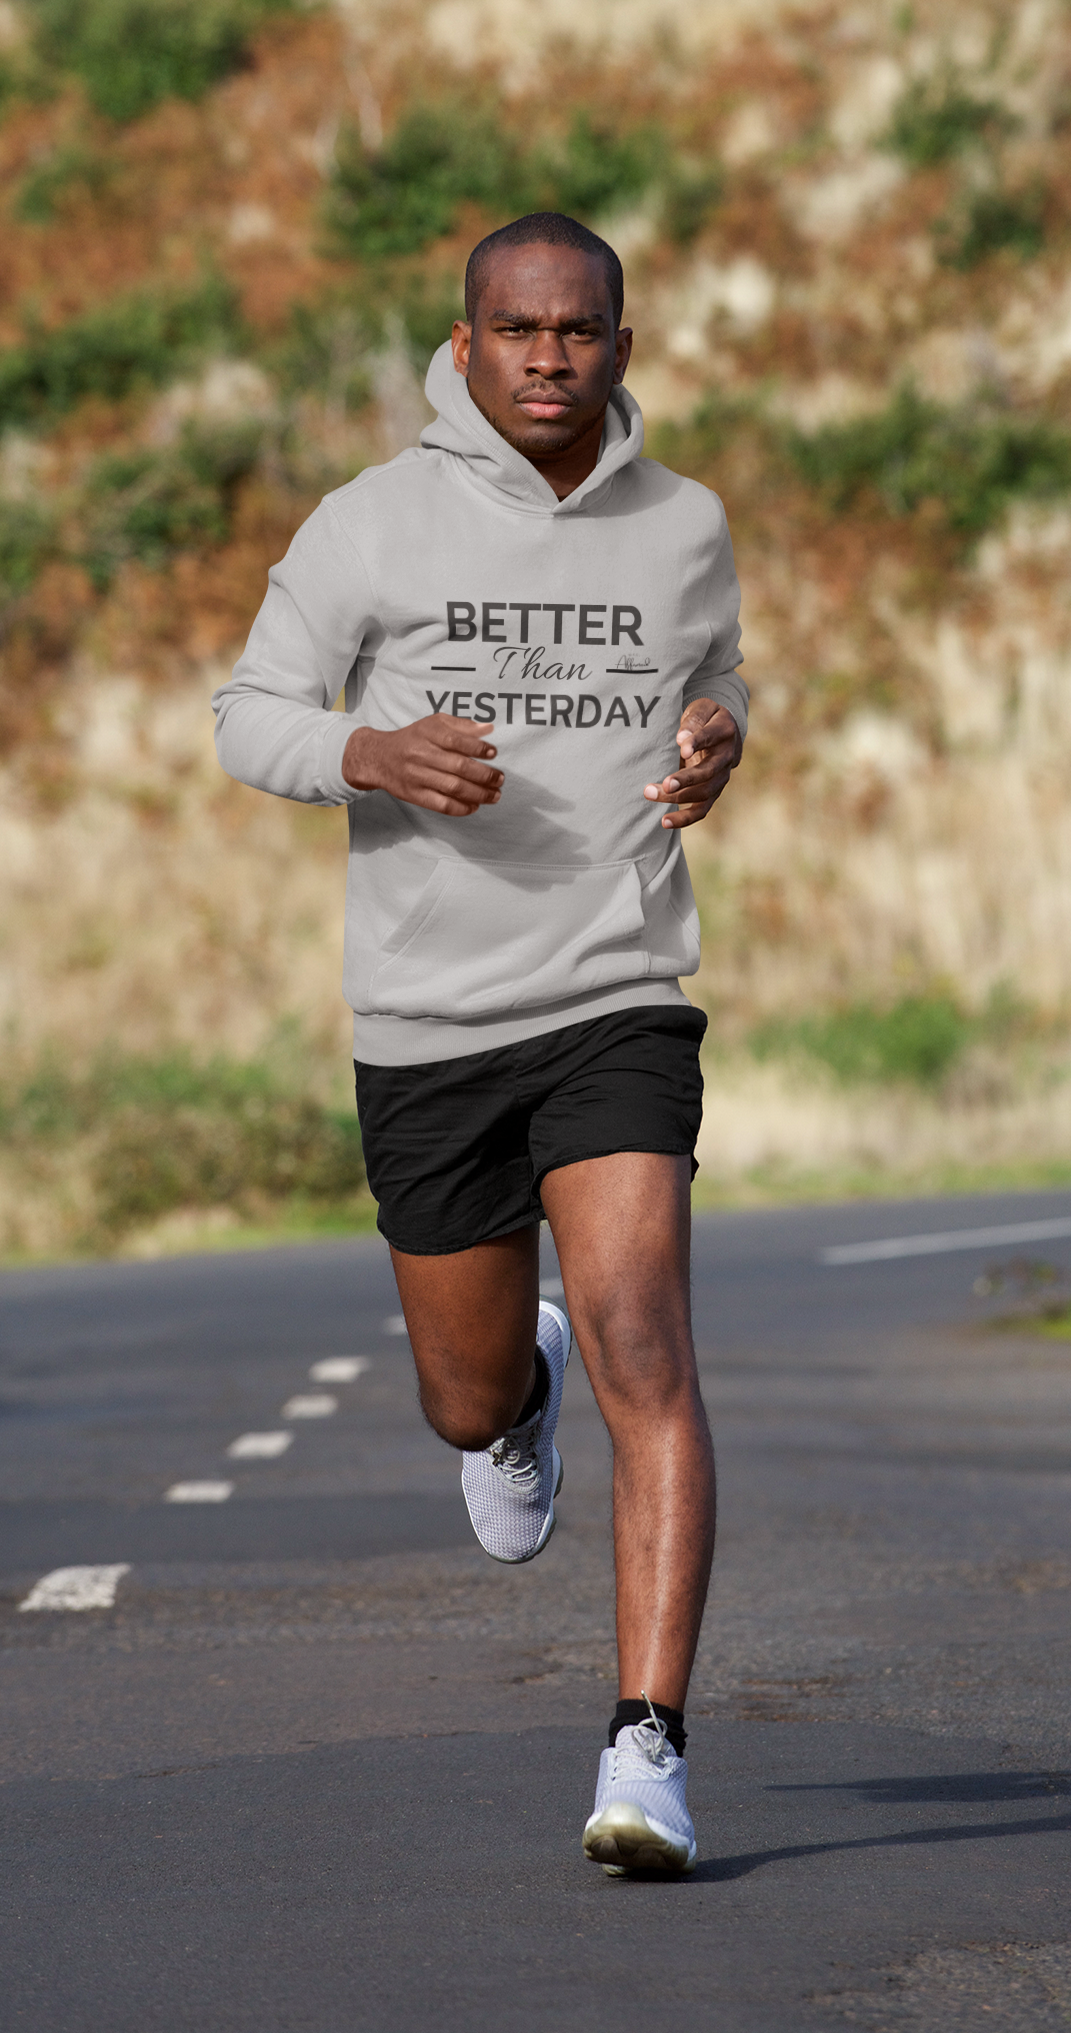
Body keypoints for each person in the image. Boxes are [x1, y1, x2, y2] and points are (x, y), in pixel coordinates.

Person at [213, 211, 746, 1874]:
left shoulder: (686, 527)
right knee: (460, 1398)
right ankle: (513, 1400)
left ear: (622, 347)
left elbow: (712, 694)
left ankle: (647, 1746)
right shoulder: (371, 523)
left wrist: (724, 741)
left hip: (619, 985)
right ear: (465, 347)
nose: (546, 358)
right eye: (515, 331)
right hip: (433, 1016)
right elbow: (249, 715)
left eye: (577, 331)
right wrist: (371, 752)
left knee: (644, 1338)